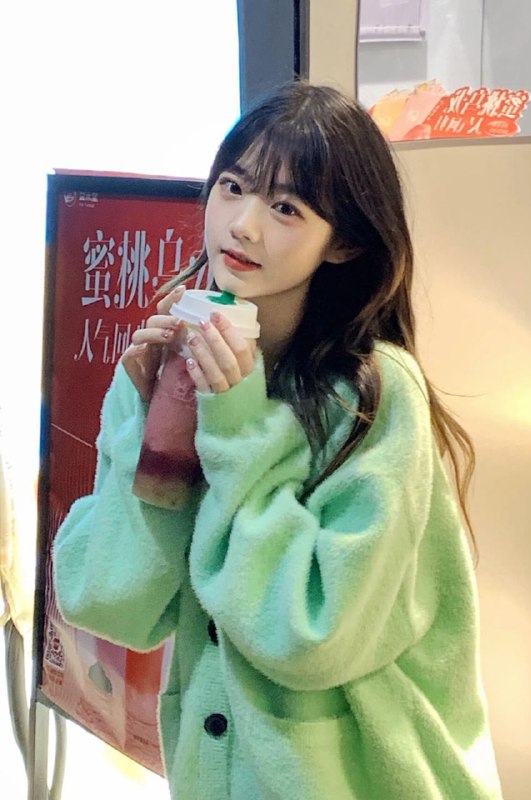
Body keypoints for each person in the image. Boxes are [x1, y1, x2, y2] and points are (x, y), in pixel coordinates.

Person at [53, 80, 503, 799]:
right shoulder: (170, 365)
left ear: (344, 241)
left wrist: (234, 427)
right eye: (232, 187)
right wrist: (153, 432)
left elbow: (309, 635)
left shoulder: (373, 397)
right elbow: (110, 603)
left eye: (286, 208)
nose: (243, 225)